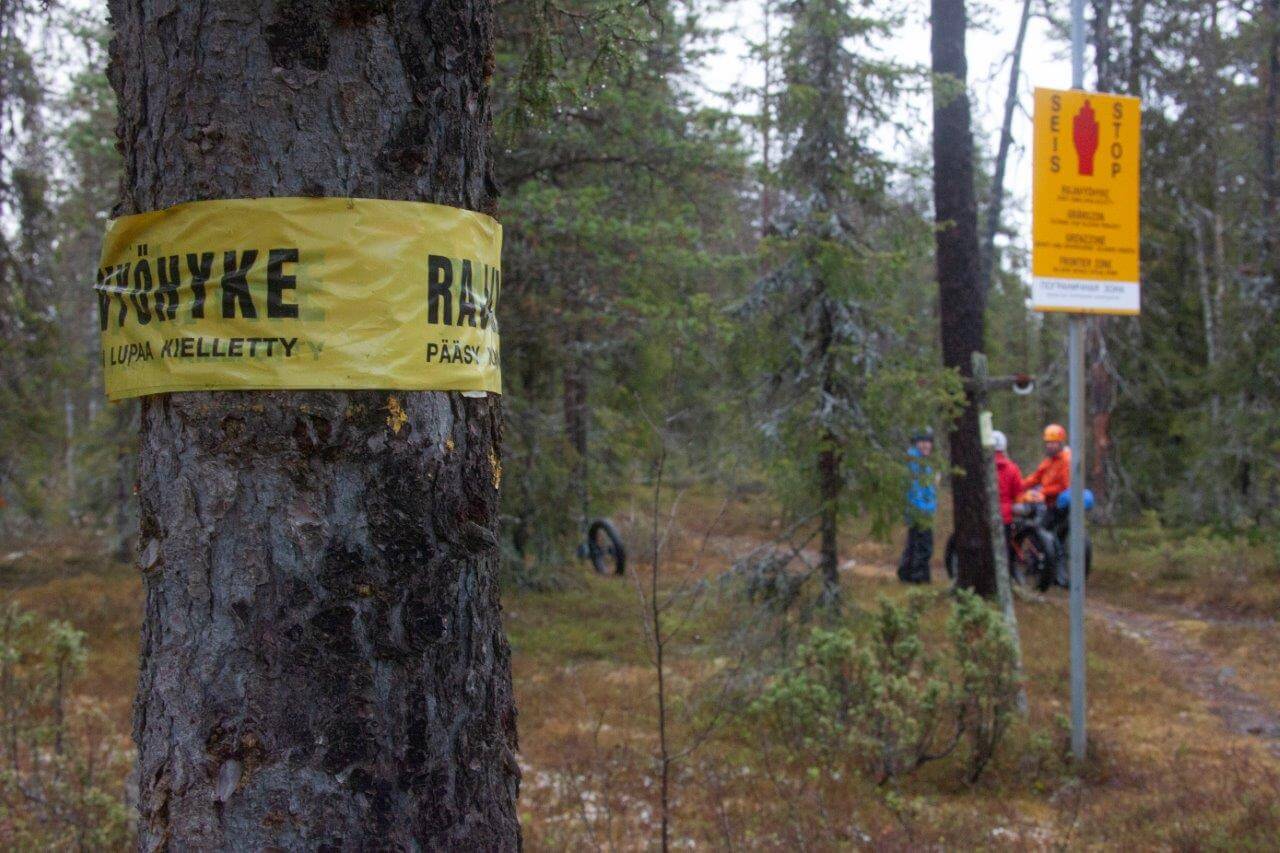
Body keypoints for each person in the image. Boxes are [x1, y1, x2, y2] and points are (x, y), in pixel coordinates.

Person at [898, 427, 936, 584]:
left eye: (928, 442)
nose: (926, 445)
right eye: (922, 442)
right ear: (916, 443)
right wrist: (924, 509)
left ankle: (906, 574)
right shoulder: (914, 463)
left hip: (920, 510)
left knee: (914, 544)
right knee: (924, 547)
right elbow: (914, 490)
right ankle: (917, 579)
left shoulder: (921, 461)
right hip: (919, 511)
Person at [1023, 423, 1071, 532]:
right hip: (1047, 503)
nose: (1049, 445)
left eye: (1053, 442)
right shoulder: (1048, 461)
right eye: (1048, 442)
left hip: (1058, 506)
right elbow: (1035, 478)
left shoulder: (1066, 461)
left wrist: (1043, 492)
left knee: (1040, 529)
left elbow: (1065, 487)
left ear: (1060, 443)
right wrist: (1019, 486)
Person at [991, 430, 1022, 565]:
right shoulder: (1012, 468)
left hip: (989, 515)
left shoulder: (982, 467)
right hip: (1006, 516)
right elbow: (1018, 491)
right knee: (1006, 551)